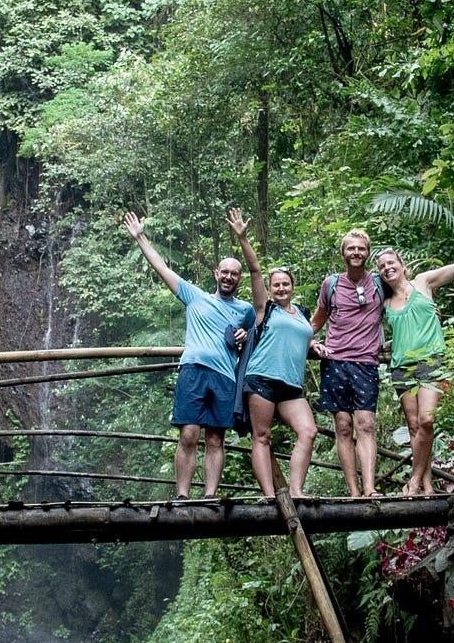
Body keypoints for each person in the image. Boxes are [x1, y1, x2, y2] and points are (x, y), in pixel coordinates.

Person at [123, 211, 255, 498]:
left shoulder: (245, 310)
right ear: (216, 274)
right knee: (188, 435)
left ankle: (209, 495)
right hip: (193, 370)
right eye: (225, 272)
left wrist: (243, 339)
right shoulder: (195, 297)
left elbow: (252, 339)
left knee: (216, 438)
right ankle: (182, 494)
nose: (229, 277)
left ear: (239, 278)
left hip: (224, 376)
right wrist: (140, 238)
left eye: (234, 273)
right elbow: (162, 268)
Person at [375, 211, 454, 496]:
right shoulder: (385, 302)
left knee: (427, 420)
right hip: (401, 367)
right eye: (382, 267)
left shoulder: (423, 283)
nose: (387, 268)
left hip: (431, 361)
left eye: (391, 263)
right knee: (413, 426)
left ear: (402, 265)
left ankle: (413, 479)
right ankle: (425, 484)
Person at [228, 209, 318, 498]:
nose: (281, 287)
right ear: (270, 288)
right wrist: (243, 238)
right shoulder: (264, 310)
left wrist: (314, 345)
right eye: (276, 284)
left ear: (292, 287)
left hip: (291, 386)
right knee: (262, 437)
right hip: (262, 380)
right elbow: (255, 270)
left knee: (308, 431)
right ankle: (270, 495)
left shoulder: (302, 315)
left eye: (285, 283)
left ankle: (296, 490)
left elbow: (303, 339)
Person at [307, 229, 385, 497]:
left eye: (361, 248)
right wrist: (309, 342)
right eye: (351, 248)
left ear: (368, 253)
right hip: (335, 361)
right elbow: (316, 321)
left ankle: (370, 487)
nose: (356, 252)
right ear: (343, 253)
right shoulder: (331, 285)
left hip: (366, 363)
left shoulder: (378, 283)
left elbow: (402, 300)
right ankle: (353, 490)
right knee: (342, 426)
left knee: (365, 424)